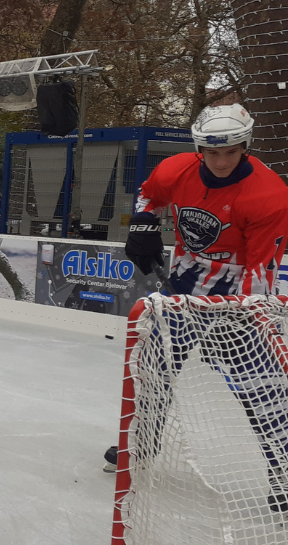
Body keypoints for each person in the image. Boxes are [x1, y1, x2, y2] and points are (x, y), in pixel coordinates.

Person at [109, 104, 288, 512]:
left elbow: (263, 268)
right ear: (199, 150)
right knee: (153, 366)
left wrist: (240, 317)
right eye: (213, 152)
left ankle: (284, 468)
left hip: (242, 285)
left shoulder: (270, 195)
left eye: (232, 151)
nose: (222, 161)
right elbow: (149, 195)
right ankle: (142, 446)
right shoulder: (175, 170)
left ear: (246, 146)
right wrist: (142, 224)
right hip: (186, 277)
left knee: (261, 386)